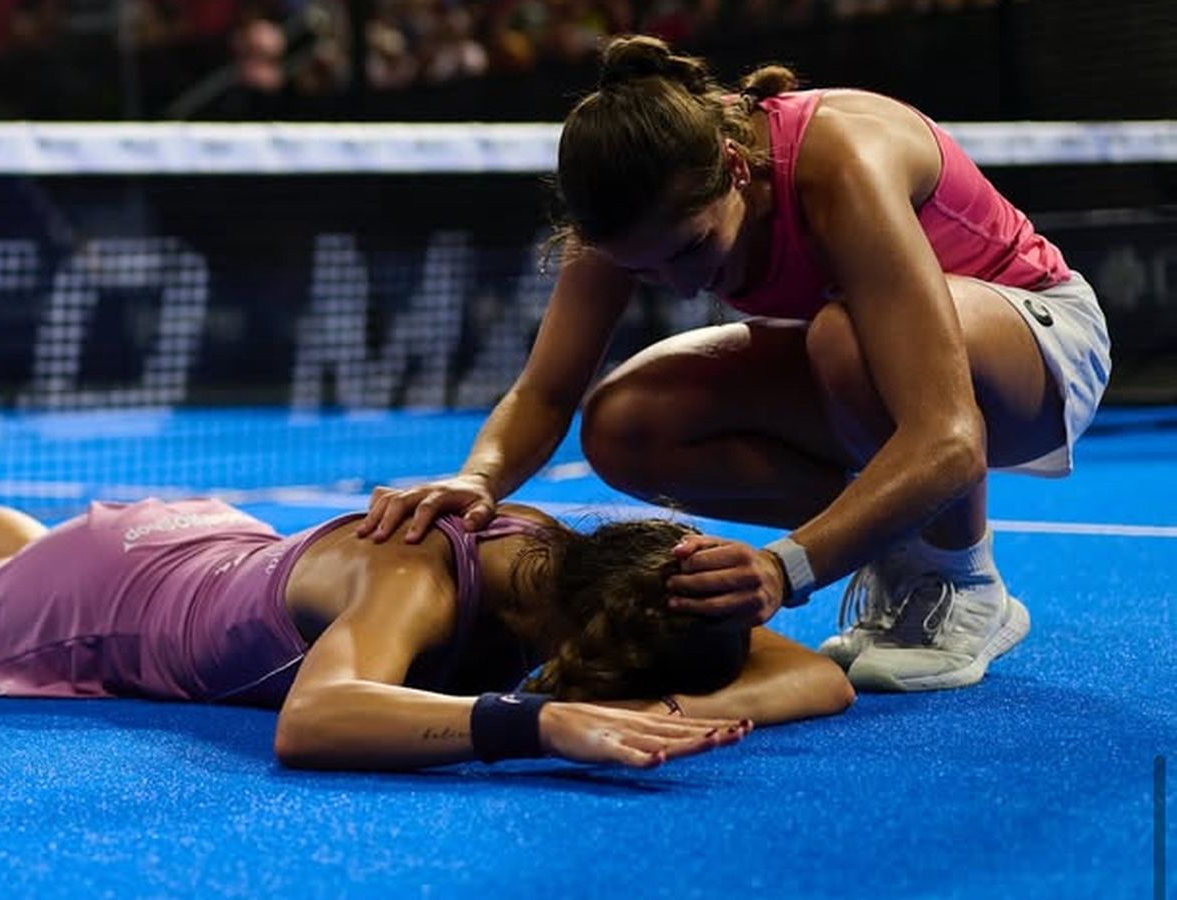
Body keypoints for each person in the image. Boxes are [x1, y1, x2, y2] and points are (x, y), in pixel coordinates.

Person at [360, 35, 1111, 693]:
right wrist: (478, 479)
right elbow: (547, 390)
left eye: (691, 251)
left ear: (735, 167)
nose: (685, 285)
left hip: (1040, 348)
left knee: (843, 340)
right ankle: (900, 544)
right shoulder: (630, 208)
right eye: (649, 272)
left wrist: (786, 568)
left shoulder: (839, 163)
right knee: (627, 425)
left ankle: (965, 584)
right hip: (875, 367)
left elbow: (949, 436)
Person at [0, 443, 854, 773]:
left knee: (17, 559)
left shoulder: (567, 560)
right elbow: (316, 719)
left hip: (206, 547)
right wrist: (534, 725)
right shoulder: (413, 585)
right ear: (567, 642)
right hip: (113, 603)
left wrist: (670, 700)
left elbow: (820, 675)